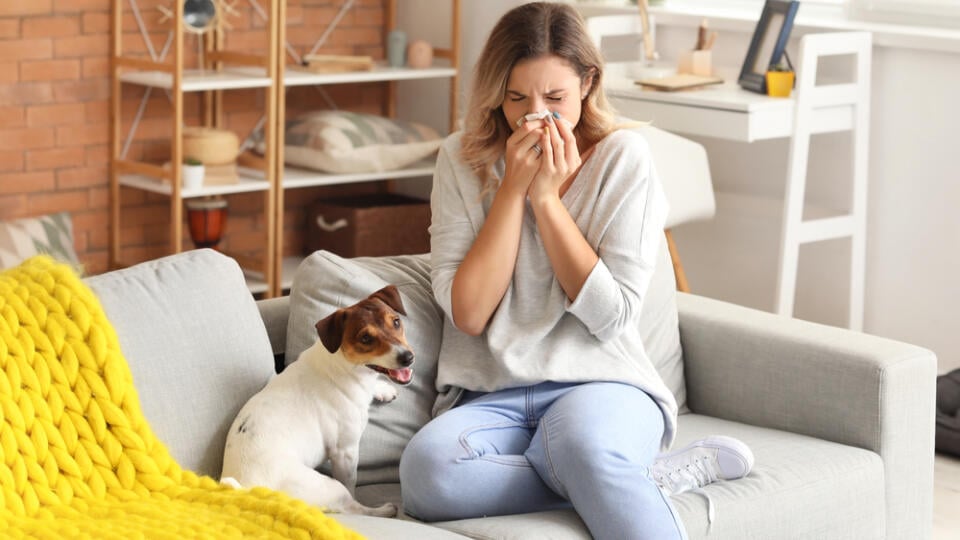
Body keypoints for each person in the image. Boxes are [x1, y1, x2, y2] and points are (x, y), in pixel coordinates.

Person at [398, 3, 751, 539]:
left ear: (587, 83)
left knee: (583, 445)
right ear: (497, 92)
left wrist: (547, 200)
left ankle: (606, 470)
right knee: (428, 474)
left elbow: (612, 317)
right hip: (488, 395)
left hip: (602, 382)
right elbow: (468, 314)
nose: (535, 115)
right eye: (517, 98)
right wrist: (512, 190)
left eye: (555, 98)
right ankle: (631, 478)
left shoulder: (623, 158)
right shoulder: (460, 160)